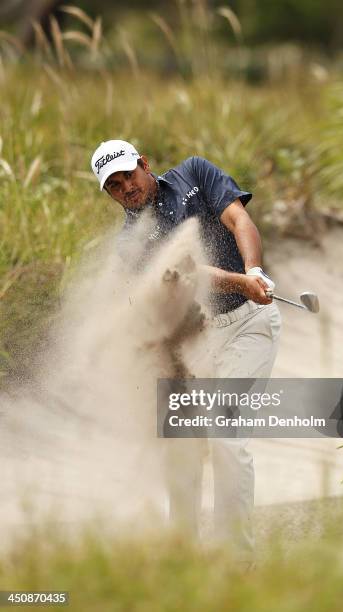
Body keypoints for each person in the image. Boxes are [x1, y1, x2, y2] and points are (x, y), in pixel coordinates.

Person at [90, 139, 281, 564]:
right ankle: (184, 556)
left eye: (128, 177)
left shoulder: (195, 173)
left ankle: (237, 560)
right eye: (114, 187)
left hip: (248, 325)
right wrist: (240, 279)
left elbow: (239, 219)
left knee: (226, 438)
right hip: (194, 342)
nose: (126, 189)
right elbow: (192, 274)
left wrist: (253, 272)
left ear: (144, 163)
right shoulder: (131, 244)